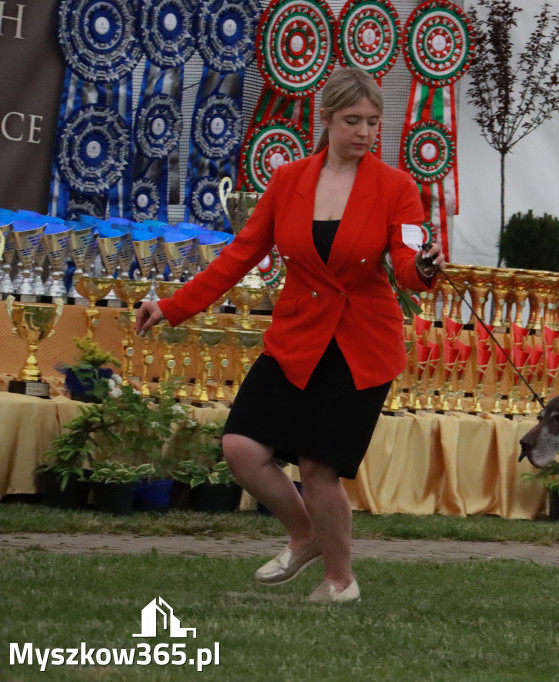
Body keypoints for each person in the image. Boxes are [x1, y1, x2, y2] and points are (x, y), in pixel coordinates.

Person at [136, 68, 446, 603]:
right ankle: (305, 534)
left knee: (318, 467)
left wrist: (425, 266)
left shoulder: (397, 188)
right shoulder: (288, 181)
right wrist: (171, 307)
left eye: (373, 122)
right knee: (240, 448)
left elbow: (406, 265)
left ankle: (340, 581)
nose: (365, 132)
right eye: (353, 121)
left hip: (361, 348)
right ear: (326, 120)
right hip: (298, 338)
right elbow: (238, 257)